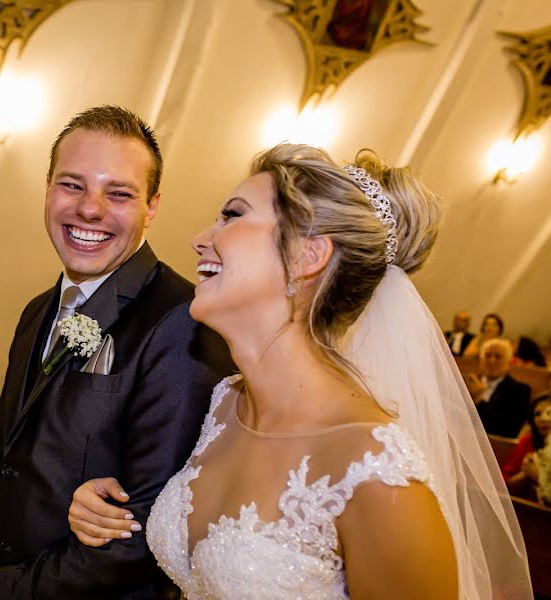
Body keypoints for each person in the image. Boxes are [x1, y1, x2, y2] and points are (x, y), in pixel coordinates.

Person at [67, 144, 531, 598]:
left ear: (306, 257)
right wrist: (106, 513)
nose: (200, 238)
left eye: (232, 215)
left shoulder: (376, 475)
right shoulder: (226, 403)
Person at [0, 106, 231, 600]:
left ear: (152, 208)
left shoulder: (181, 324)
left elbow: (145, 528)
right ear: (48, 188)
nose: (89, 209)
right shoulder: (38, 312)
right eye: (72, 185)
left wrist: (1, 595)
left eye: (118, 193)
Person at [465, 338, 532, 438]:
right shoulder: (466, 383)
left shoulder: (520, 390)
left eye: (498, 357)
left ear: (509, 363)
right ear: (480, 360)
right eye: (487, 356)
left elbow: (509, 429)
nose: (492, 360)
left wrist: (479, 399)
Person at [503, 393, 551, 501]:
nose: (542, 419)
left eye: (549, 413)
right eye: (537, 414)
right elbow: (503, 486)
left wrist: (539, 477)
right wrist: (525, 474)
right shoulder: (527, 441)